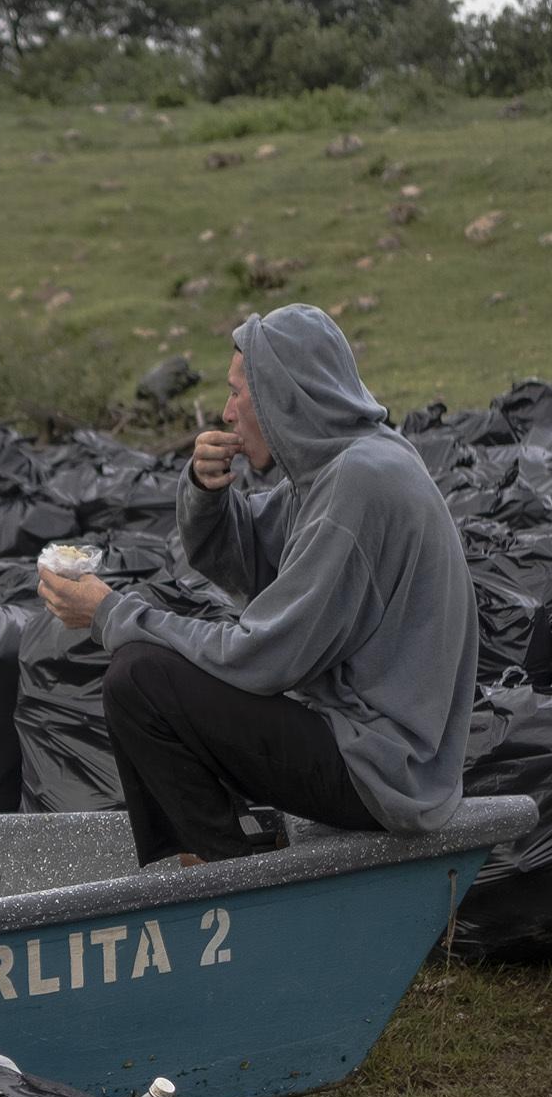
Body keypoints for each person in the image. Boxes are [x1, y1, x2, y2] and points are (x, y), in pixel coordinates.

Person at [36, 303, 477, 865]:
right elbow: (249, 555)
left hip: (384, 769)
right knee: (147, 666)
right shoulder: (348, 465)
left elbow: (265, 658)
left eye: (238, 393)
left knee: (139, 677)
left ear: (282, 397)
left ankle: (223, 882)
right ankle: (202, 859)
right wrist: (205, 489)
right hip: (376, 750)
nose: (226, 413)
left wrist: (109, 614)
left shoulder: (357, 485)